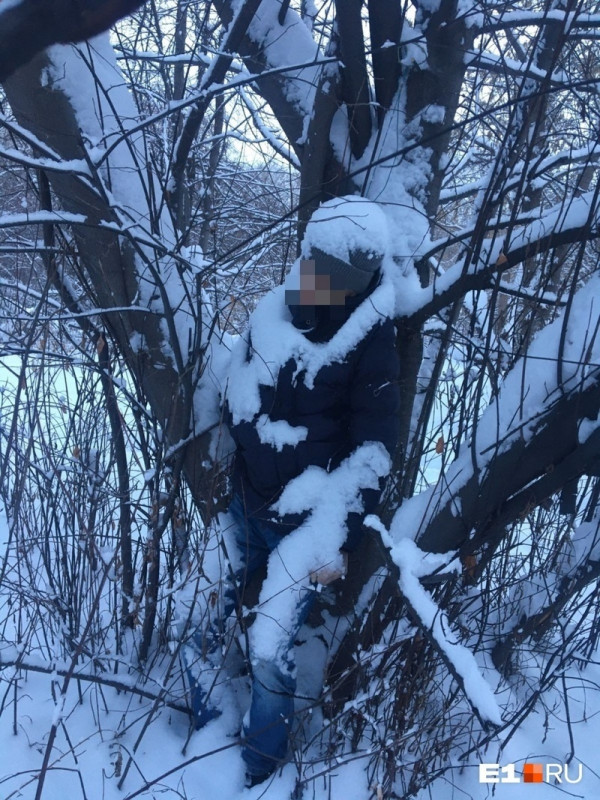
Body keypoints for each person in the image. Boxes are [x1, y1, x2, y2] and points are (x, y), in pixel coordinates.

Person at [222, 196, 400, 787]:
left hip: (305, 522)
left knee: (269, 650)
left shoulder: (372, 343)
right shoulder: (280, 307)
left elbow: (372, 454)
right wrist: (249, 443)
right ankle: (200, 733)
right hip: (246, 500)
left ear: (351, 285)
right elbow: (241, 387)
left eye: (325, 277)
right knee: (205, 616)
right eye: (309, 267)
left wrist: (335, 531)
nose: (309, 282)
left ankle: (258, 767)